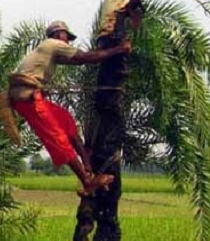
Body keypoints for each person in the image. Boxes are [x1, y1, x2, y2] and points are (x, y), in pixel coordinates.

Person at [8, 20, 131, 196]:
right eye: (67, 37)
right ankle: (87, 181)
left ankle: (87, 165)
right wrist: (118, 50)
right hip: (28, 100)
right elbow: (86, 58)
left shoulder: (48, 51)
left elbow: (81, 62)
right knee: (59, 138)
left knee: (67, 124)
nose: (68, 42)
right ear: (59, 34)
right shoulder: (53, 44)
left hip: (32, 98)